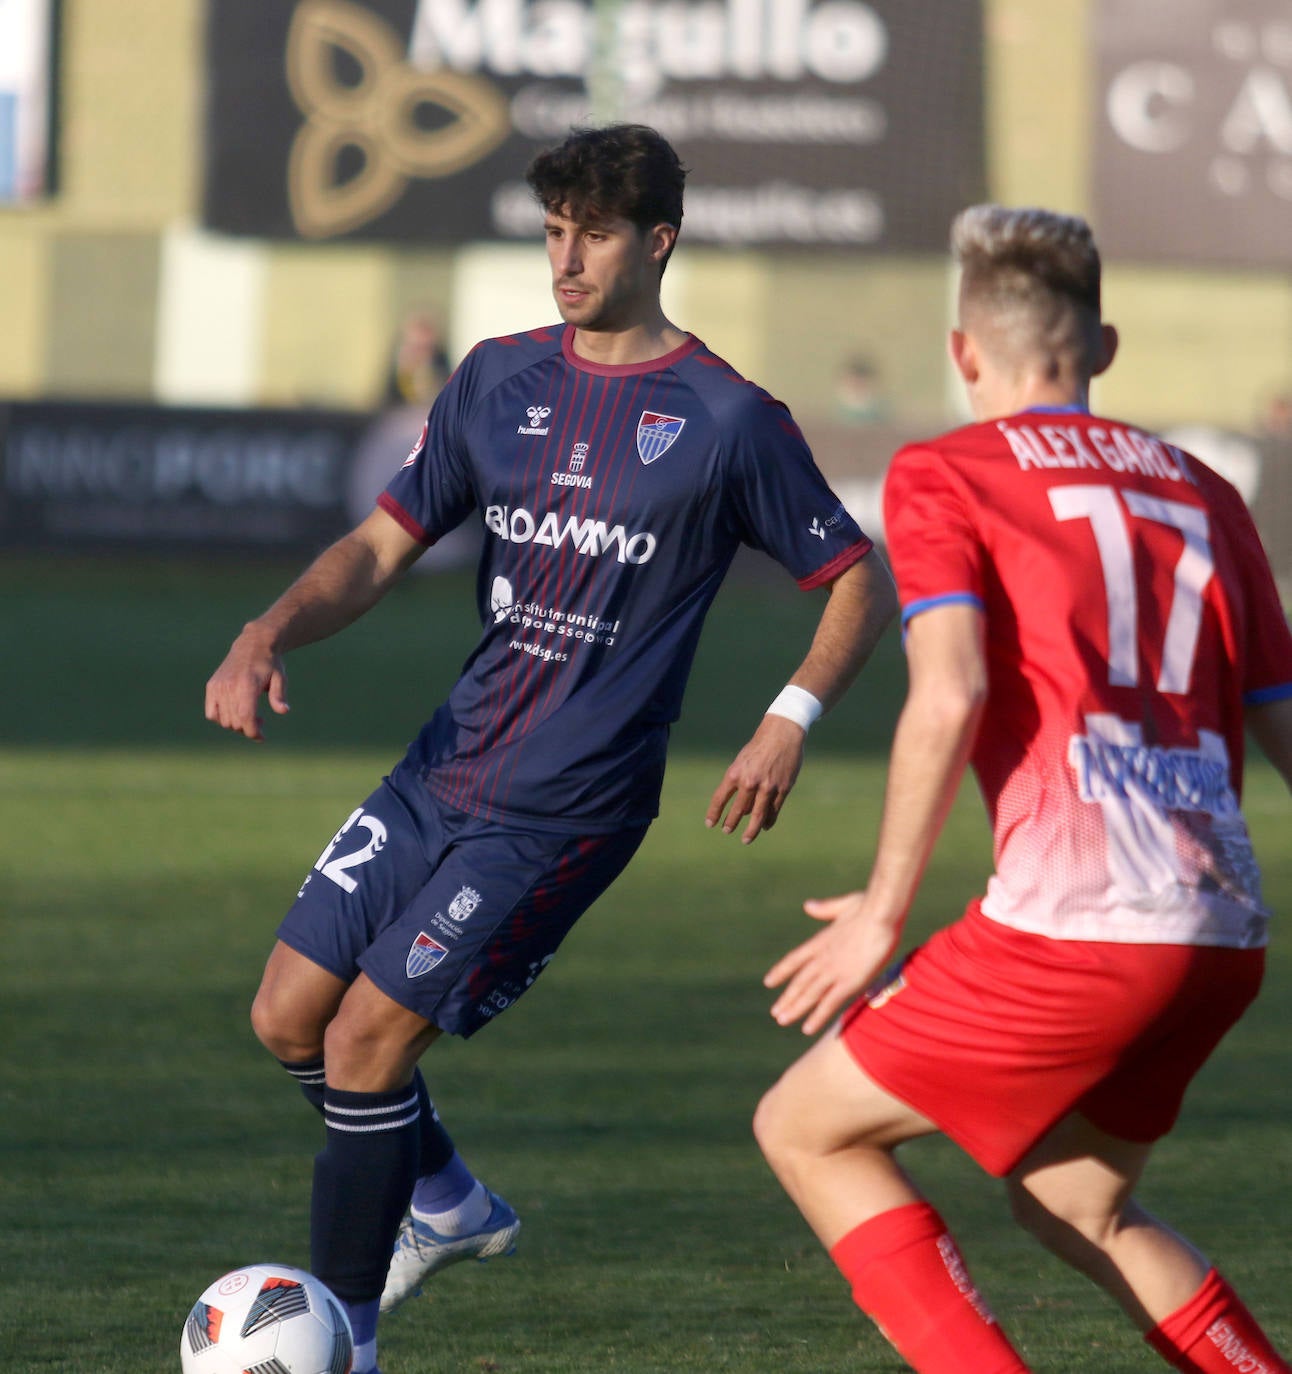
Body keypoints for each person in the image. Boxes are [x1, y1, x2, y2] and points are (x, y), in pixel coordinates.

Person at [204, 123, 896, 1374]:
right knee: (284, 1016)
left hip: (566, 808)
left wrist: (785, 719)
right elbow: (375, 549)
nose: (564, 258)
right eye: (552, 231)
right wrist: (266, 630)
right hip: (445, 765)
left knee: (366, 1042)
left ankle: (340, 1344)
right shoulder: (494, 378)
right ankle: (453, 1204)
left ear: (657, 243)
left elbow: (854, 581)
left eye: (592, 234)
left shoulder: (728, 419)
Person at [754, 204, 1292, 1374]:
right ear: (1100, 350)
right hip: (1218, 933)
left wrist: (882, 917)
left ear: (962, 355)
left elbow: (944, 694)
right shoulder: (1207, 491)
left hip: (1076, 933)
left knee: (801, 1129)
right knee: (1074, 1206)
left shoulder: (944, 472)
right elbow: (1282, 728)